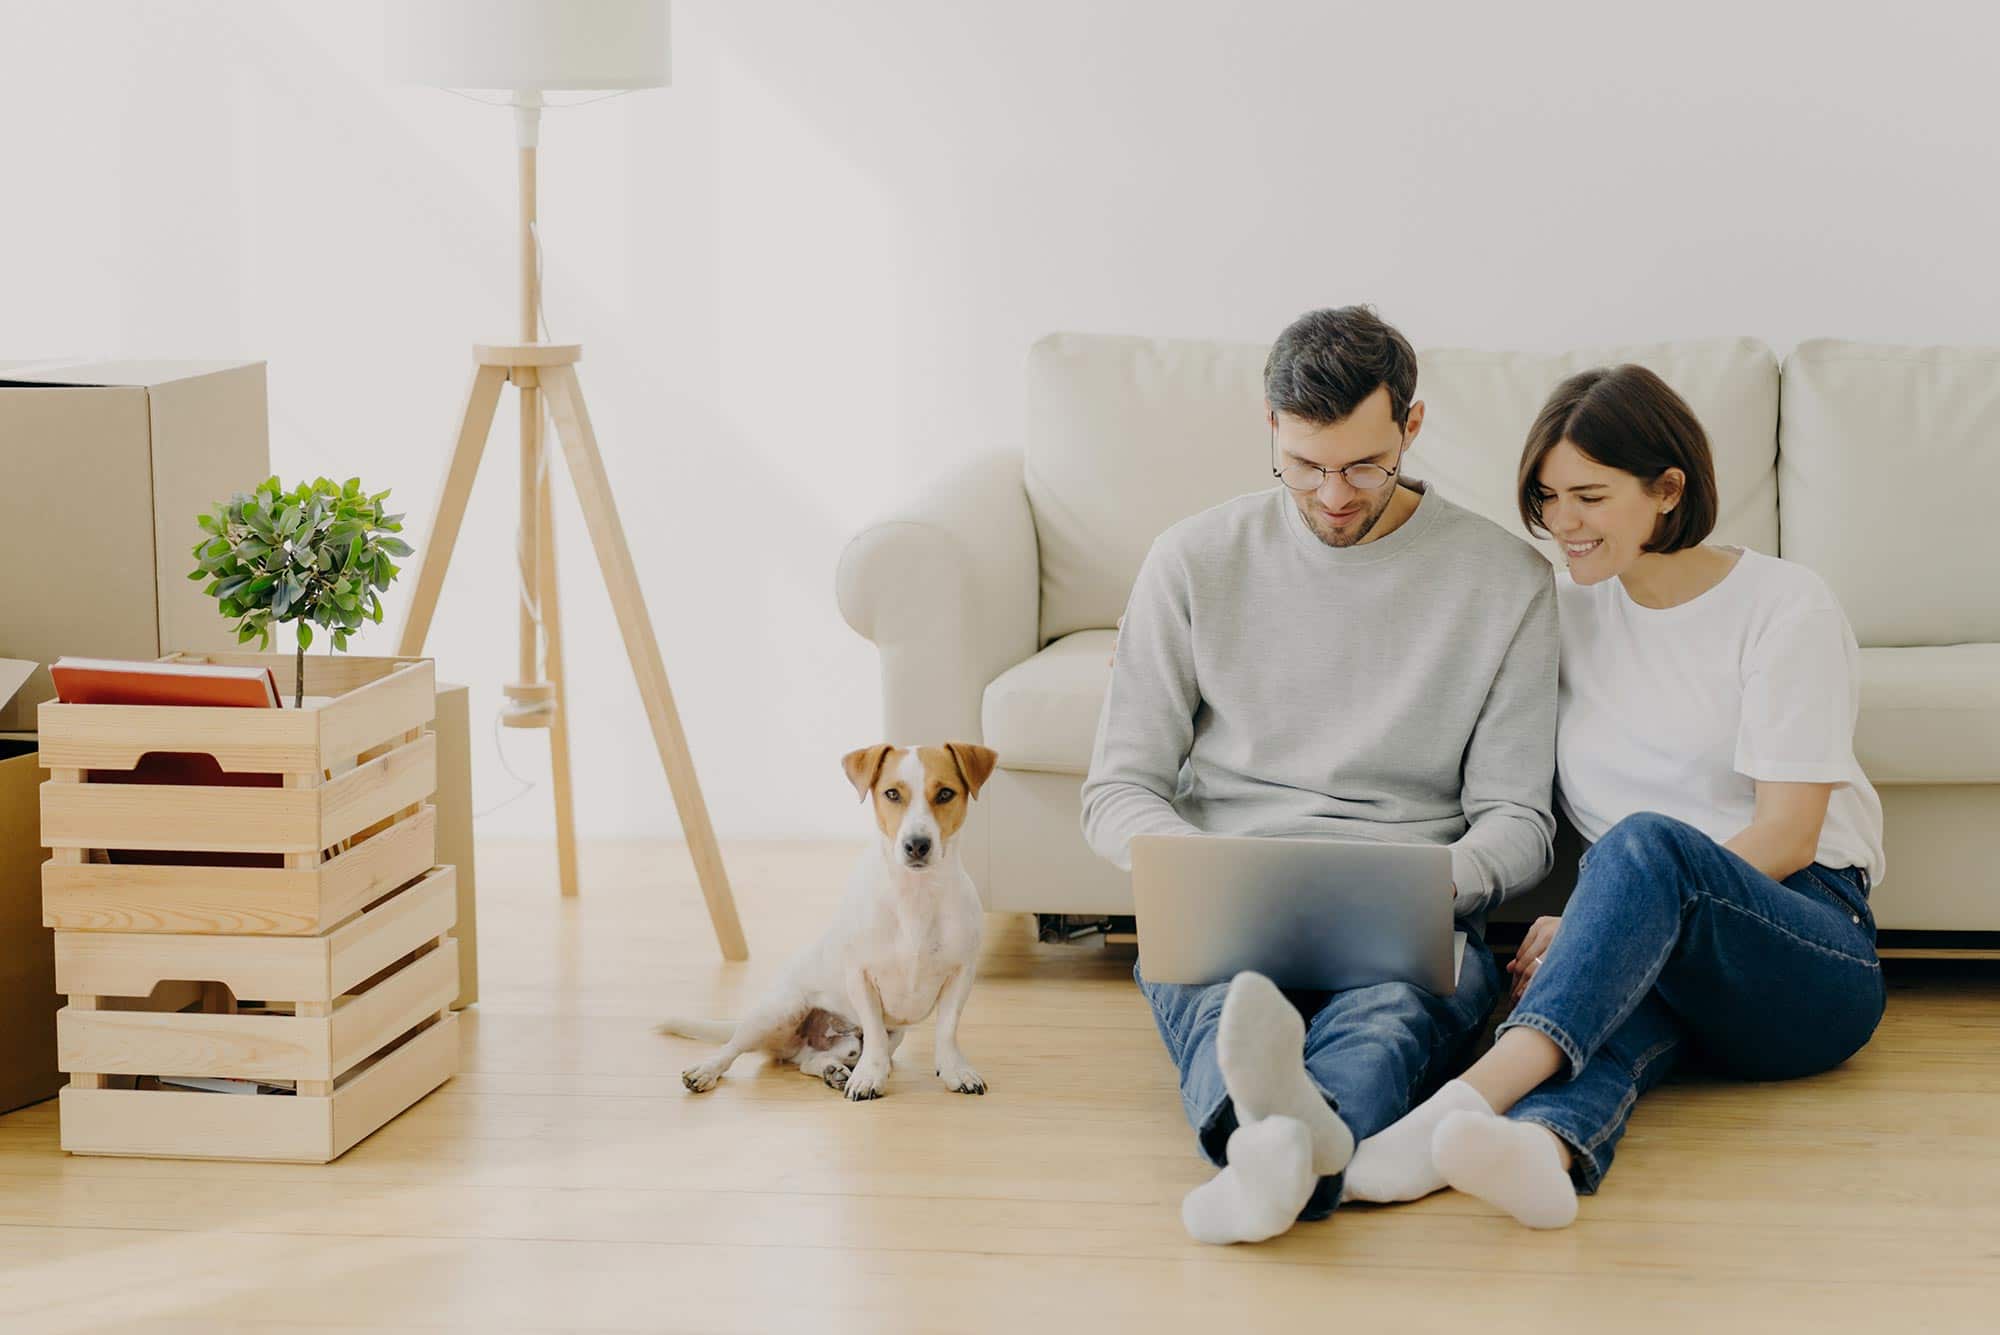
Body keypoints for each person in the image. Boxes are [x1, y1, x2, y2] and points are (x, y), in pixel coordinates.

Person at [1344, 363, 1887, 1228]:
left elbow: (1787, 834)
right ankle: (1543, 1152)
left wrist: (1608, 906)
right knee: (1611, 1005)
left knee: (1641, 844)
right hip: (1658, 956)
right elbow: (1412, 660)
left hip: (1808, 947)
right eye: (1548, 496)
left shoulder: (1784, 604)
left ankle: (1457, 1105)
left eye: (1589, 496)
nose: (1563, 523)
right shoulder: (1559, 611)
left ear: (1667, 490)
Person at [1080, 305, 1558, 1245]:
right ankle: (1289, 1153)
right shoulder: (1191, 560)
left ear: (1411, 427)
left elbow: (1519, 817)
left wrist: (1438, 881)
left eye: (1363, 465)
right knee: (1218, 1006)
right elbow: (1117, 787)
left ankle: (1263, 1160)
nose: (1333, 494)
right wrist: (1194, 867)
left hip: (1408, 904)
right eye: (1304, 465)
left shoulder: (1505, 580)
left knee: (1388, 1021)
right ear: (1271, 428)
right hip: (1225, 887)